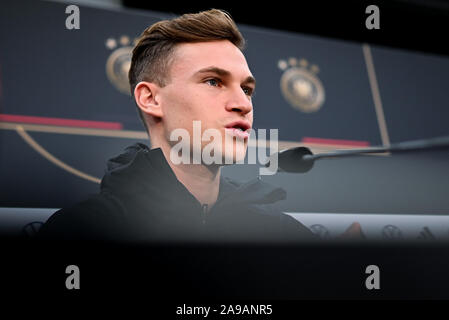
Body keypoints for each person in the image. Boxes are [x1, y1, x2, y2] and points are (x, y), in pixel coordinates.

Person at [38, 9, 318, 244]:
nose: (243, 104)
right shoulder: (82, 230)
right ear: (150, 99)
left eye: (246, 89)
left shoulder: (285, 236)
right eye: (213, 82)